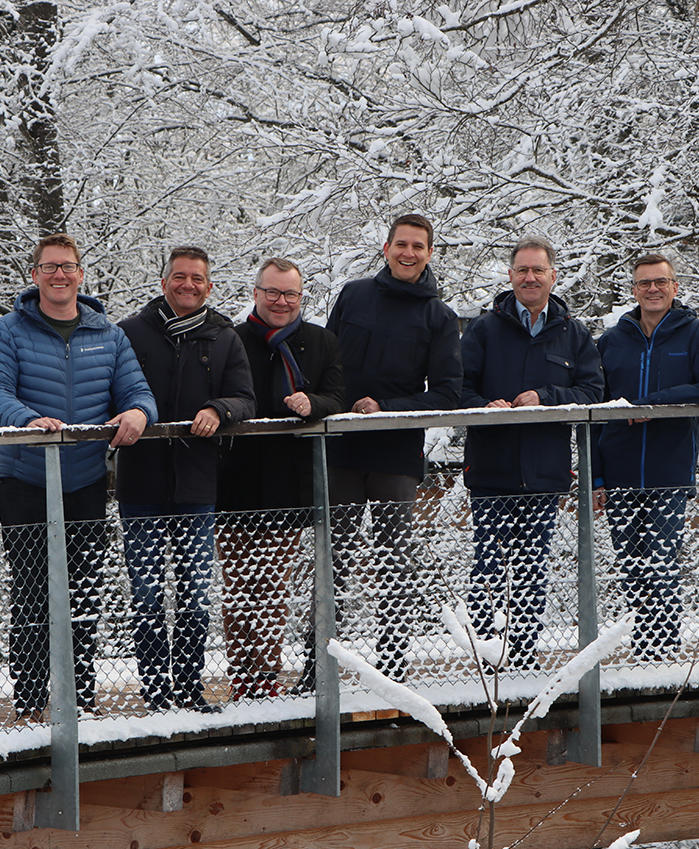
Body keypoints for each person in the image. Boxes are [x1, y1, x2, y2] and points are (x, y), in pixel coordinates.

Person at [0, 234, 157, 722]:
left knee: (83, 593)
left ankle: (80, 700)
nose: (60, 275)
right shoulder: (9, 331)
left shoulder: (108, 335)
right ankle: (32, 704)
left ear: (80, 274)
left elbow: (138, 391)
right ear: (34, 275)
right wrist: (28, 420)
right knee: (32, 592)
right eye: (50, 267)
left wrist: (139, 412)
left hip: (85, 482)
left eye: (68, 266)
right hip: (25, 480)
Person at [117, 247, 255, 712]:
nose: (188, 285)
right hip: (140, 484)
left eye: (197, 278)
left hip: (197, 485)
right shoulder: (130, 333)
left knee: (196, 595)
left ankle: (190, 689)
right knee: (147, 595)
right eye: (180, 277)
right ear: (164, 283)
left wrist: (218, 409)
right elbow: (111, 391)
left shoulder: (224, 337)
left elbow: (245, 398)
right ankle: (157, 694)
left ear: (209, 286)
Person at [326, 213, 462, 678]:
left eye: (418, 246)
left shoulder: (439, 317)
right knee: (331, 558)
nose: (408, 253)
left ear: (429, 254)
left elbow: (447, 392)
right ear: (386, 249)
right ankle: (318, 663)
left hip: (396, 455)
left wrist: (387, 408)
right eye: (401, 244)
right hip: (340, 449)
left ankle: (393, 662)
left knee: (395, 561)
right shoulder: (353, 295)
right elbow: (327, 364)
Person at [460, 237, 604, 669]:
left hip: (544, 473)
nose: (530, 278)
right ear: (510, 276)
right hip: (491, 469)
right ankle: (489, 661)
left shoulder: (573, 333)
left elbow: (593, 391)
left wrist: (547, 396)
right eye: (522, 270)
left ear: (552, 276)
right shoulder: (484, 329)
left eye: (538, 270)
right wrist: (483, 407)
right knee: (488, 568)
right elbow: (458, 387)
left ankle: (523, 658)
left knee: (531, 570)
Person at [216, 258, 347, 700]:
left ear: (301, 297)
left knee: (272, 588)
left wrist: (314, 404)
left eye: (290, 294)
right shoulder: (230, 339)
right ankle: (243, 677)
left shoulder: (321, 341)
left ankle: (267, 677)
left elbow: (337, 396)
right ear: (256, 293)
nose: (281, 301)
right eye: (272, 292)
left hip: (288, 482)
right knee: (238, 587)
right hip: (235, 481)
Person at [594, 251, 699, 660]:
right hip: (618, 471)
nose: (652, 289)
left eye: (660, 282)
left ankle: (664, 651)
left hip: (669, 471)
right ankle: (643, 646)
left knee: (662, 561)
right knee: (630, 565)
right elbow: (593, 411)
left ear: (674, 286)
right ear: (634, 290)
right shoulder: (611, 341)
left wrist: (653, 404)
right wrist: (596, 477)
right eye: (644, 283)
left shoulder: (696, 334)